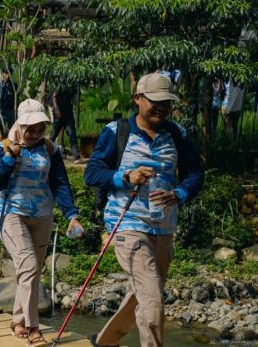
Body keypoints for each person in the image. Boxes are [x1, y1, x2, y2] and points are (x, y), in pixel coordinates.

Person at [84, 73, 204, 347]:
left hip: (164, 226)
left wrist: (179, 193)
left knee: (144, 292)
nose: (162, 107)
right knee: (153, 298)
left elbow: (195, 174)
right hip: (127, 224)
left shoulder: (177, 133)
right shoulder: (116, 132)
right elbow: (92, 173)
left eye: (167, 103)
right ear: (138, 99)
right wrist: (125, 177)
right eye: (155, 101)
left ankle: (104, 341)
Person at [0, 98, 83, 347]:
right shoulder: (4, 146)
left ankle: (17, 321)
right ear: (19, 125)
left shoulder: (50, 149)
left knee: (32, 271)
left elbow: (60, 183)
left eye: (40, 128)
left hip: (42, 215)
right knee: (28, 265)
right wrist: (9, 157)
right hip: (11, 214)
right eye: (30, 128)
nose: (35, 133)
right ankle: (33, 329)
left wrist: (71, 214)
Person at [49, 86, 81, 163]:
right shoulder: (54, 89)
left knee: (72, 135)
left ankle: (76, 155)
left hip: (68, 116)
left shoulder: (69, 89)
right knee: (53, 135)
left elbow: (74, 92)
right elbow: (50, 103)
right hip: (58, 116)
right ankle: (47, 153)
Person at [0, 68, 16, 136]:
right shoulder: (0, 84)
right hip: (2, 110)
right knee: (2, 128)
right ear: (3, 74)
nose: (7, 75)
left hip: (11, 110)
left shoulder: (14, 85)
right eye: (6, 74)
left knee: (11, 128)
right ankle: (3, 141)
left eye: (9, 74)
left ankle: (10, 141)